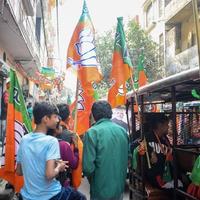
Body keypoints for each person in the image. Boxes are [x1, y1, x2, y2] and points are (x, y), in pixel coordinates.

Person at [16, 102, 86, 200]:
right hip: (50, 195)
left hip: (27, 195)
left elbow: (19, 171)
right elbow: (49, 175)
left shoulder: (24, 139)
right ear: (45, 119)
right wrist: (59, 167)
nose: (58, 120)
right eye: (55, 117)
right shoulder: (51, 141)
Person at [83, 100, 128, 200]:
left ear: (94, 115)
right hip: (119, 188)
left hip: (100, 189)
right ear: (110, 113)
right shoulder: (122, 131)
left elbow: (87, 168)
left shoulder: (92, 132)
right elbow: (127, 158)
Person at [47, 119, 79, 187]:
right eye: (59, 126)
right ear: (56, 130)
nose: (62, 127)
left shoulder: (39, 143)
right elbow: (74, 164)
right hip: (58, 185)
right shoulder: (63, 145)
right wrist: (76, 147)